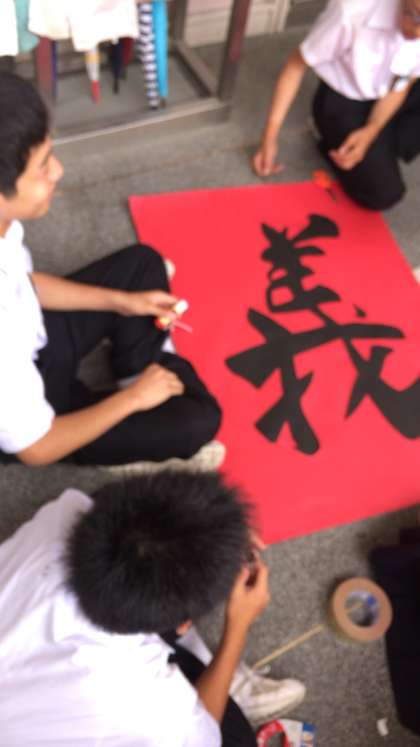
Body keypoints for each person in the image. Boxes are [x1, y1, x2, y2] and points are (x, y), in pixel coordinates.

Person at [0, 72, 221, 466]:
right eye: (42, 167)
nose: (58, 171)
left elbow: (24, 285)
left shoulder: (5, 225)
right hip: (39, 416)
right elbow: (37, 448)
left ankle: (140, 378)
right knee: (198, 419)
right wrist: (133, 399)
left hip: (35, 341)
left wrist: (121, 302)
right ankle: (138, 408)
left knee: (142, 266)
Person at [0, 470, 305, 746]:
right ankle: (214, 674)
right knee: (236, 738)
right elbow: (203, 738)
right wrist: (238, 627)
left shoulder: (64, 512)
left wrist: (222, 530)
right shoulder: (141, 708)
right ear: (184, 623)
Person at [254, 0, 420, 210]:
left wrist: (372, 130)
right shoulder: (351, 11)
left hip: (386, 93)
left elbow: (402, 84)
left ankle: (384, 147)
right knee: (384, 195)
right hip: (344, 100)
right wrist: (269, 137)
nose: (417, 33)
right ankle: (331, 139)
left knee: (387, 150)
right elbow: (295, 66)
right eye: (414, 15)